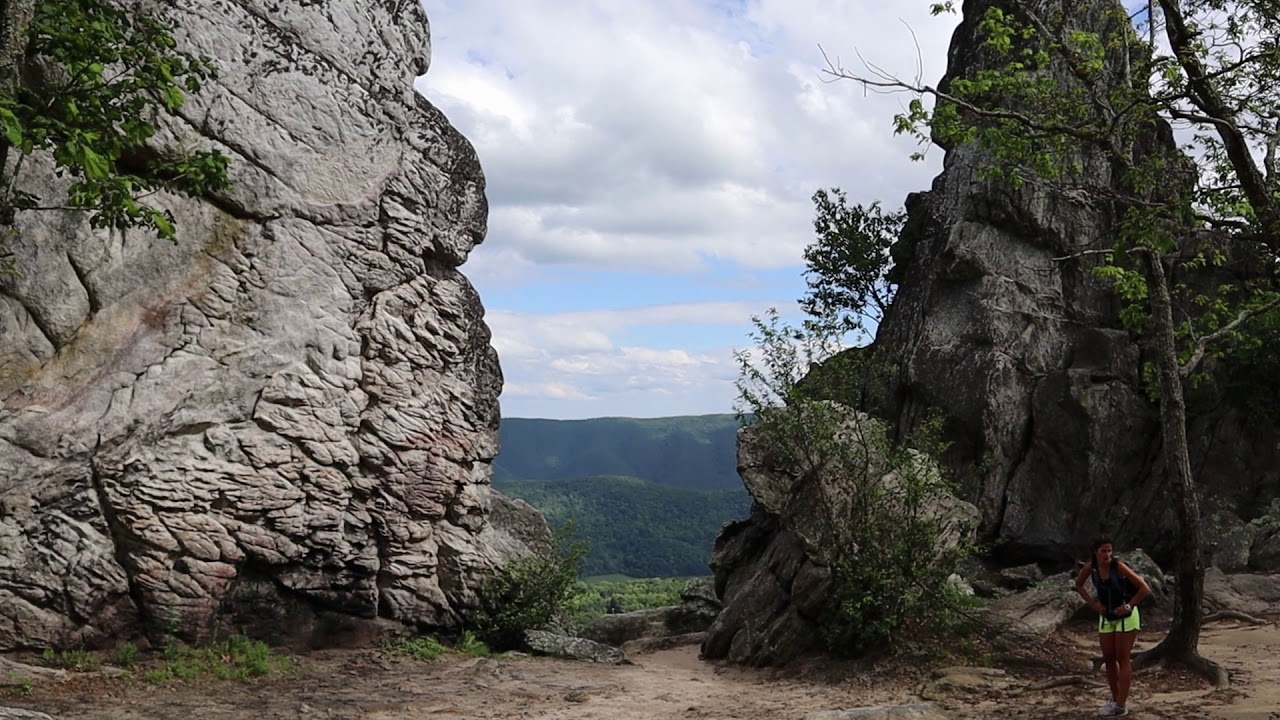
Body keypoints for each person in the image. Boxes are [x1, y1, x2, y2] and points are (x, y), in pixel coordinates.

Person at [1075, 535, 1152, 717]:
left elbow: (1144, 588)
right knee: (1108, 658)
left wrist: (1128, 606)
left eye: (1110, 550)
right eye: (1103, 551)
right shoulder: (1091, 568)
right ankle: (1115, 699)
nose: (1107, 554)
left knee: (1122, 658)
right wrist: (1093, 605)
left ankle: (1121, 704)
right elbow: (1079, 585)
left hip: (1126, 617)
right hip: (1106, 617)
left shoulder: (1119, 566)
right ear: (1095, 552)